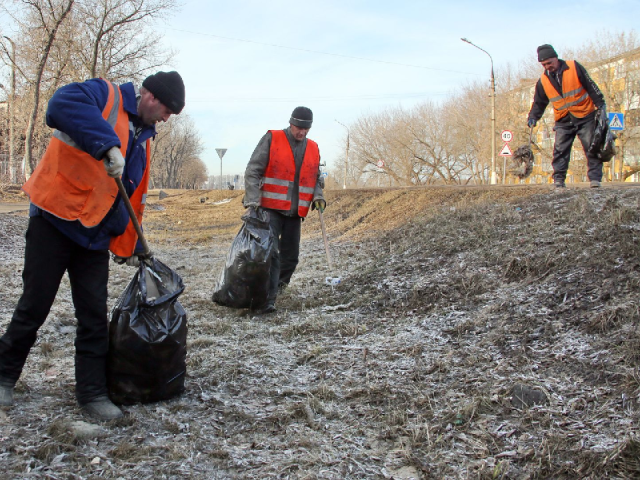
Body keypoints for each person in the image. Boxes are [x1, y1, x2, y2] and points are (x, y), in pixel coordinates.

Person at [0, 71, 185, 420]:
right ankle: (4, 376)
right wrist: (107, 144)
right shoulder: (104, 95)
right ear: (151, 96)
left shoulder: (144, 139)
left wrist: (131, 246)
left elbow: (131, 199)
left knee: (93, 318)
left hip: (94, 236)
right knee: (33, 307)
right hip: (54, 219)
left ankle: (93, 394)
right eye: (167, 110)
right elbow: (60, 104)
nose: (165, 119)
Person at [244, 106, 326, 314]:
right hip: (269, 208)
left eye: (306, 129)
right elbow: (253, 171)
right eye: (299, 128)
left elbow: (316, 179)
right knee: (271, 254)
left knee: (291, 256)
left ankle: (278, 288)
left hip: (295, 211)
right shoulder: (273, 138)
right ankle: (267, 300)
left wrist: (318, 196)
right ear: (291, 123)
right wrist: (253, 201)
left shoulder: (313, 148)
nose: (302, 133)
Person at [527, 44, 607, 188]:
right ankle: (559, 180)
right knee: (559, 150)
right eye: (544, 64)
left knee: (591, 147)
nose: (547, 67)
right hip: (563, 119)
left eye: (549, 63)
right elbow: (539, 102)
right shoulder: (543, 81)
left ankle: (595, 179)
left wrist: (600, 104)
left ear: (556, 58)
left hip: (585, 115)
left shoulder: (574, 67)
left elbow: (590, 86)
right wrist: (533, 117)